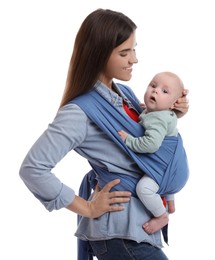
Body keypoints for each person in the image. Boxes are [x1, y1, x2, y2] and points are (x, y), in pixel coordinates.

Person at [19, 9, 189, 260]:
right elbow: (33, 168)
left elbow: (151, 145)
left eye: (134, 49)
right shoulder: (79, 113)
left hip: (139, 230)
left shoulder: (127, 97)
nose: (134, 59)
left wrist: (175, 112)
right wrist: (86, 206)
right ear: (99, 54)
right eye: (124, 53)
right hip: (121, 234)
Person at [118, 71, 187, 235]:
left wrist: (129, 140)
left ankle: (162, 216)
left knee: (144, 188)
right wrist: (147, 109)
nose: (155, 91)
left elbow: (151, 145)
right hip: (177, 168)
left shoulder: (157, 119)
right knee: (160, 168)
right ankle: (170, 201)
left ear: (173, 105)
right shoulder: (161, 113)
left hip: (168, 170)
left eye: (165, 91)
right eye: (153, 86)